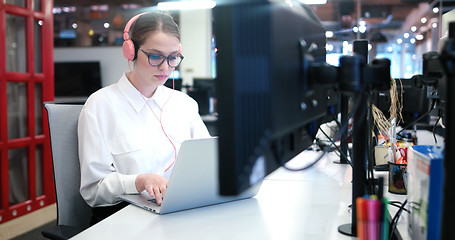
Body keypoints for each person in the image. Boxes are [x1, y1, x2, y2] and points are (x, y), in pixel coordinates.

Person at [77, 11, 210, 224]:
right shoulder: (100, 105)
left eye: (173, 57)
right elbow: (94, 190)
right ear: (130, 52)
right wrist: (137, 182)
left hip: (181, 212)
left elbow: (208, 163)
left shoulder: (184, 104)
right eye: (155, 56)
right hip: (125, 217)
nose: (166, 67)